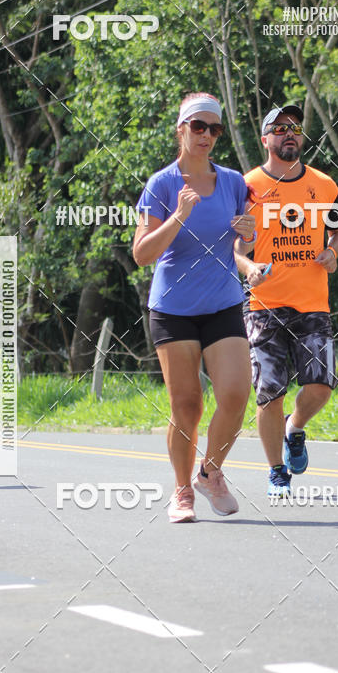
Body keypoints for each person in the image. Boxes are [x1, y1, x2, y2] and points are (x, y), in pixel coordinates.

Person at [133, 92, 255, 522]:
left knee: (237, 394)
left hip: (222, 302)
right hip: (174, 307)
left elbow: (240, 243)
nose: (206, 135)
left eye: (214, 128)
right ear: (181, 129)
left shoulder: (234, 182)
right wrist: (178, 216)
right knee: (187, 406)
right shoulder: (162, 184)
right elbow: (142, 254)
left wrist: (249, 236)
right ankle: (182, 492)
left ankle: (210, 472)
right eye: (198, 126)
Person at [234, 104, 338, 498]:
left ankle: (294, 428)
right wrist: (248, 267)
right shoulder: (246, 186)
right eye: (279, 128)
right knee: (270, 391)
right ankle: (276, 471)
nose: (289, 134)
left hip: (313, 302)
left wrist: (333, 252)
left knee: (321, 386)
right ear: (265, 139)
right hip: (264, 304)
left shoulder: (323, 184)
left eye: (295, 128)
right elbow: (236, 247)